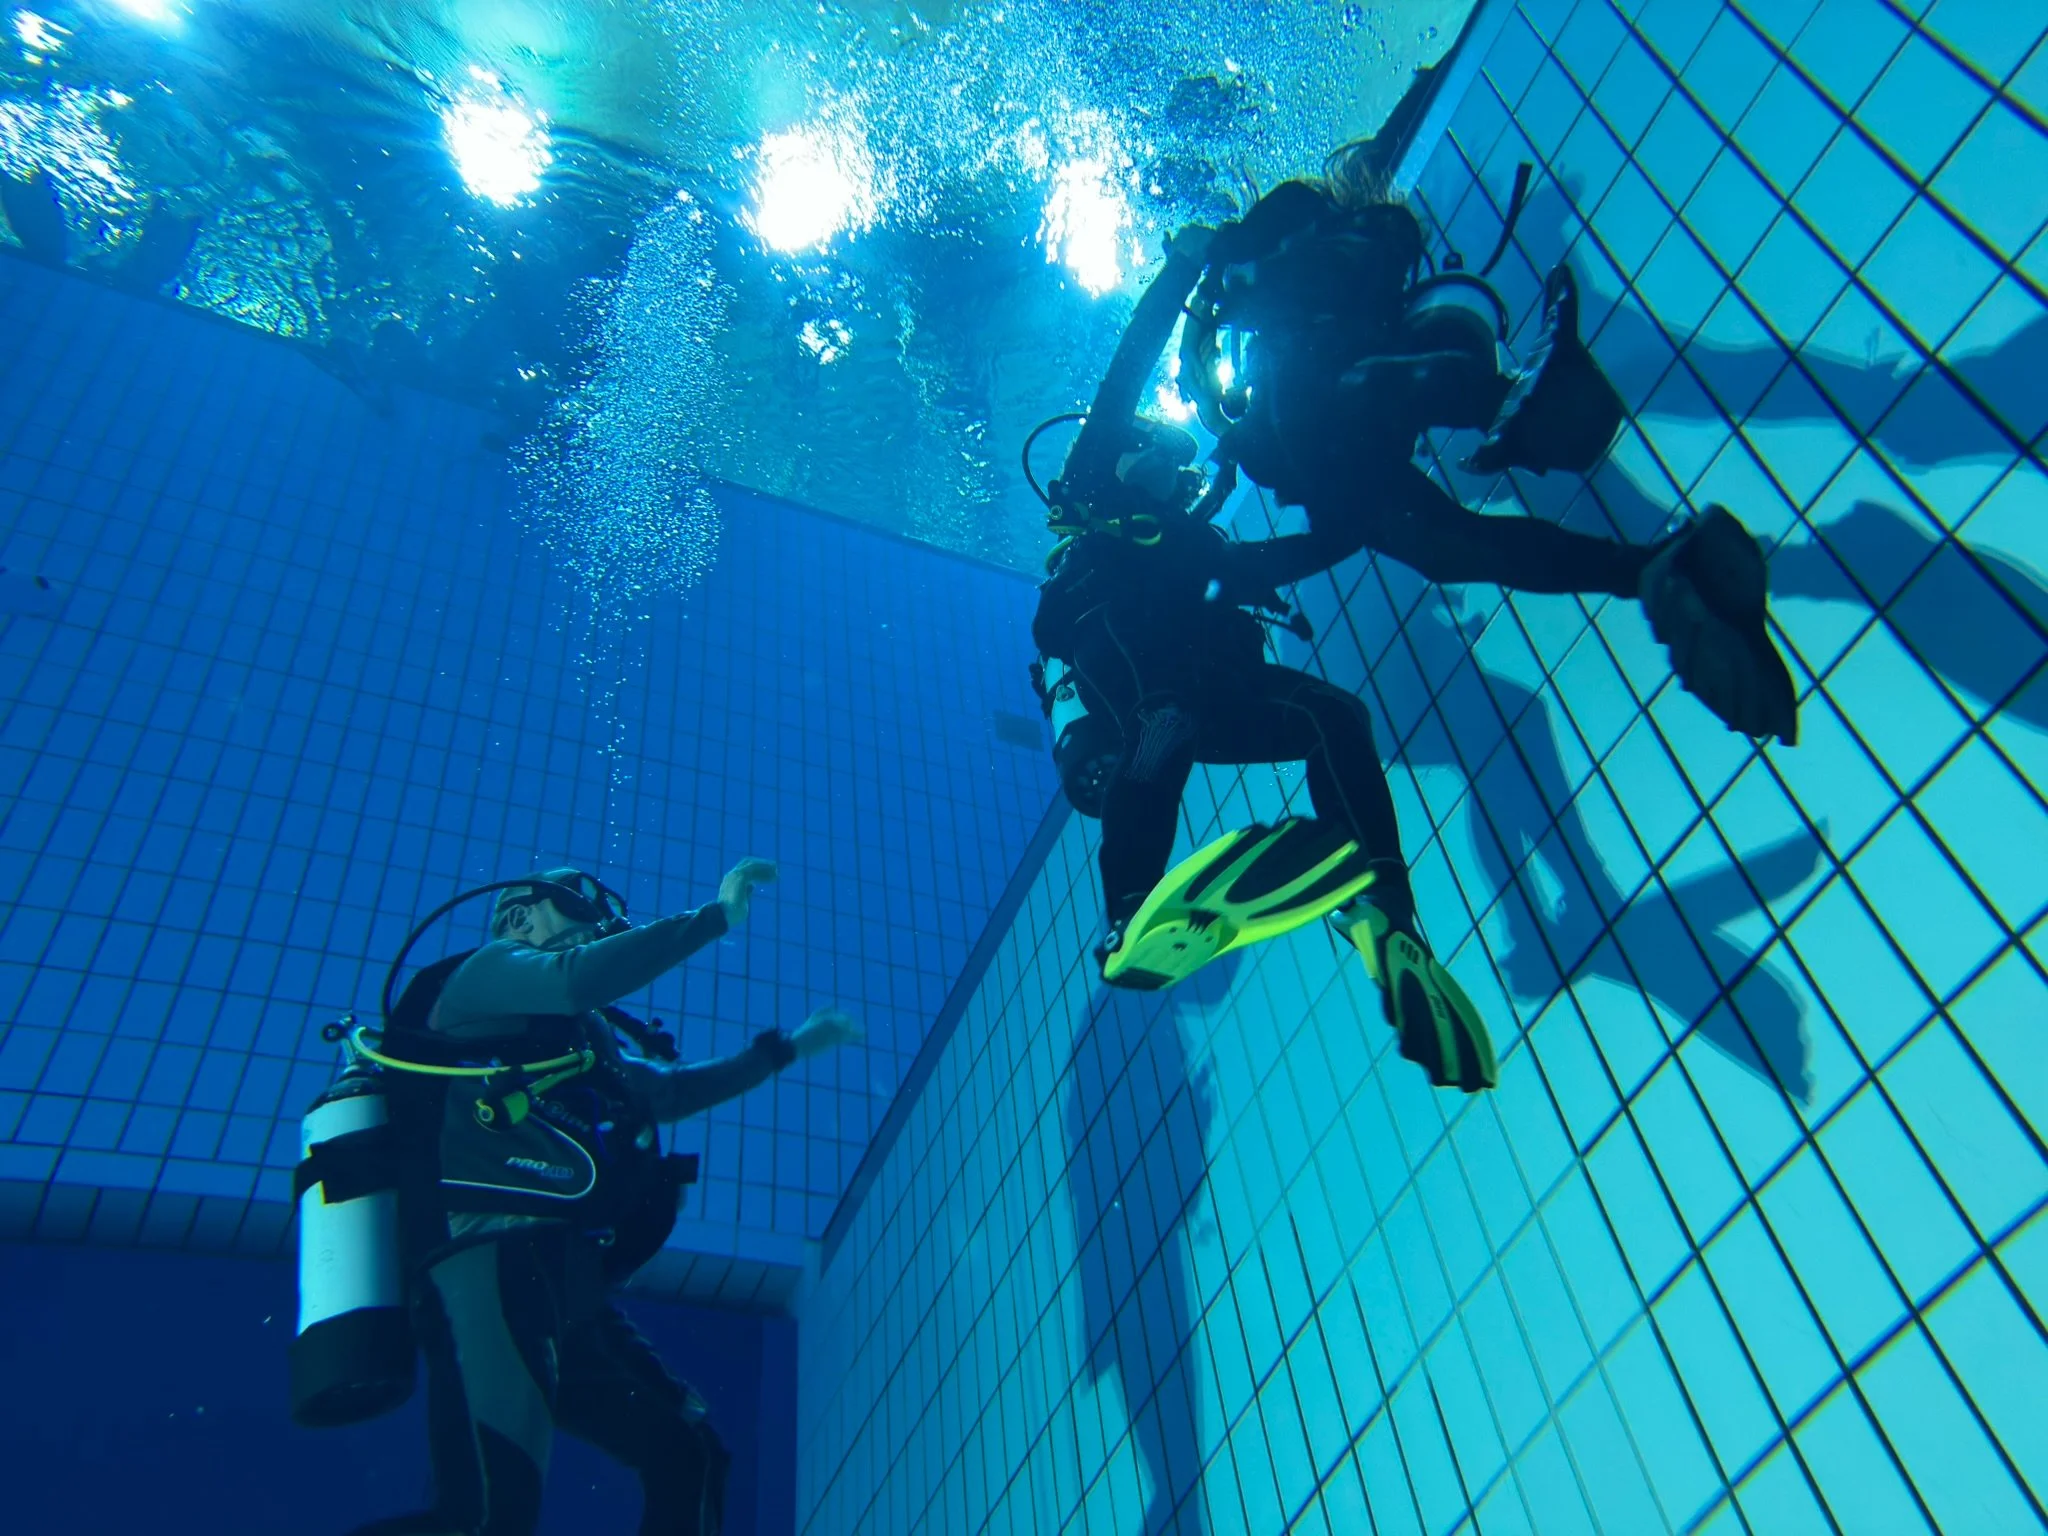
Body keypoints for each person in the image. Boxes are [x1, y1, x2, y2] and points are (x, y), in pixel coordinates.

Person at [1170, 103, 1799, 745]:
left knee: (1375, 401)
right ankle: (1651, 568)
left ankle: (1521, 406)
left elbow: (1284, 246)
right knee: (1444, 551)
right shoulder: (1279, 325)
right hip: (1343, 467)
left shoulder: (1291, 243)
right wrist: (1231, 564)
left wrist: (1206, 260)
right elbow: (1316, 525)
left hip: (1346, 415)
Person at [1030, 230, 1497, 1094]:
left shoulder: (1195, 542)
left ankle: (1386, 910)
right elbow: (1125, 374)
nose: (1173, 470)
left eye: (1176, 463)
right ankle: (1128, 914)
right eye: (1156, 454)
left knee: (1334, 717)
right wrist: (1179, 270)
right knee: (1165, 723)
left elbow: (1268, 564)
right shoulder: (1095, 491)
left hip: (1217, 687)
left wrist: (1356, 525)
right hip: (1132, 673)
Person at [338, 861, 859, 1536]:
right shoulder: (486, 971)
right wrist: (714, 917)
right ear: (518, 916)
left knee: (688, 1451)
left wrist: (789, 1047)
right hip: (483, 1257)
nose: (595, 927)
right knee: (487, 1517)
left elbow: (669, 1091)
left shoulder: (577, 1036)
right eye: (576, 909)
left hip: (566, 1281)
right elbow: (576, 978)